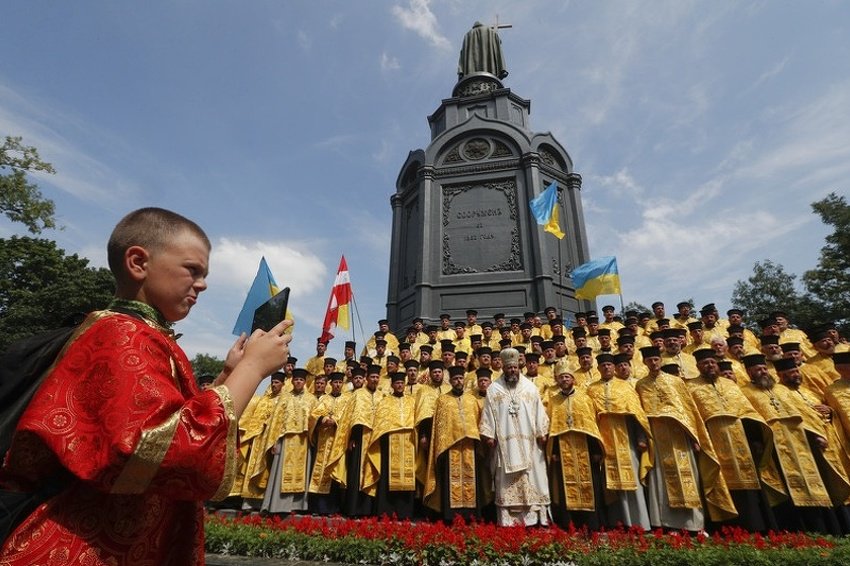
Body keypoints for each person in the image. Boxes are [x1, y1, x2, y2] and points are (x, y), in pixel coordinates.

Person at [0, 207, 291, 564]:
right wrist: (253, 368)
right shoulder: (124, 333)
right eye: (192, 270)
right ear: (138, 262)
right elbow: (151, 450)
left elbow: (164, 418)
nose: (202, 284)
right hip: (87, 546)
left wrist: (226, 378)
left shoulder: (138, 333)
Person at [635, 347, 735, 532]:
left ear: (661, 360)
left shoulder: (675, 382)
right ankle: (667, 523)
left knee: (688, 478)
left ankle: (694, 524)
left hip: (680, 435)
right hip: (657, 436)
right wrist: (642, 437)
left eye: (656, 359)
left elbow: (689, 411)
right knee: (662, 481)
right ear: (644, 362)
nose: (654, 363)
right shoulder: (640, 385)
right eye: (649, 360)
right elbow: (640, 413)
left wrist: (695, 437)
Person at [685, 350, 779, 532]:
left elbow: (747, 411)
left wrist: (756, 439)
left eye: (713, 362)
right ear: (697, 367)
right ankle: (728, 530)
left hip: (741, 440)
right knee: (720, 483)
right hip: (713, 441)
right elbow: (692, 415)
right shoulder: (691, 387)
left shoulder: (730, 384)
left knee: (751, 484)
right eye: (705, 363)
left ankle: (759, 528)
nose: (710, 365)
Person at [479, 348, 551, 526]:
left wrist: (542, 432)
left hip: (530, 443)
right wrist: (489, 435)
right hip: (505, 446)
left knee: (534, 479)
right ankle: (508, 520)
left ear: (519, 367)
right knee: (505, 483)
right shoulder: (494, 390)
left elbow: (539, 412)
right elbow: (487, 414)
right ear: (503, 368)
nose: (512, 371)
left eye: (515, 368)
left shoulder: (530, 388)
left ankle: (534, 519)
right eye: (509, 368)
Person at [586, 353, 652, 530]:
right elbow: (589, 418)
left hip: (626, 438)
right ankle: (616, 522)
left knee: (632, 479)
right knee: (609, 482)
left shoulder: (625, 386)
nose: (607, 367)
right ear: (598, 368)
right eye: (603, 365)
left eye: (609, 365)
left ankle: (639, 522)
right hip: (604, 439)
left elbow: (637, 413)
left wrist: (640, 437)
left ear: (614, 368)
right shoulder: (592, 389)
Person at [545, 361, 605, 530]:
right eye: (561, 377)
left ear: (573, 379)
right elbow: (553, 428)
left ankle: (591, 524)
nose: (564, 379)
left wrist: (595, 450)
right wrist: (554, 451)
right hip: (564, 452)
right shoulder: (554, 401)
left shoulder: (584, 399)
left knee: (590, 486)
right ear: (557, 380)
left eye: (567, 376)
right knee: (566, 487)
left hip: (585, 449)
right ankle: (569, 523)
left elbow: (591, 426)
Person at [423, 364, 486, 523]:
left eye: (460, 378)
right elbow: (440, 426)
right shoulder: (443, 400)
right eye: (455, 379)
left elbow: (478, 422)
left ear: (463, 380)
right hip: (450, 449)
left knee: (471, 479)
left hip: (470, 447)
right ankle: (450, 516)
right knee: (451, 482)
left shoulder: (471, 399)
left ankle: (472, 515)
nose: (458, 381)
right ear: (450, 381)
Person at [261, 368, 317, 515]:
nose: (298, 382)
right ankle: (278, 505)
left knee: (301, 473)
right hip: (286, 439)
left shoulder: (311, 399)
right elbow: (276, 421)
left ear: (305, 382)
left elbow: (315, 419)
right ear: (292, 381)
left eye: (301, 380)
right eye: (296, 379)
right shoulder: (285, 398)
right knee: (280, 474)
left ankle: (298, 505)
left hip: (303, 441)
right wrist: (273, 441)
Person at [363, 372, 417, 519]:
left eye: (401, 383)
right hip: (390, 442)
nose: (399, 385)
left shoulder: (412, 401)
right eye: (397, 383)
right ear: (392, 385)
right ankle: (386, 511)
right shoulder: (385, 402)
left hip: (408, 443)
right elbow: (380, 423)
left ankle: (405, 512)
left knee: (407, 476)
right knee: (388, 477)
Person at [234, 371, 286, 511]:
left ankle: (264, 501)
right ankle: (249, 501)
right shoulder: (264, 400)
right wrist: (250, 437)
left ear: (283, 384)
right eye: (273, 382)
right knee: (252, 469)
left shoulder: (284, 401)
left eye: (277, 383)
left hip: (272, 440)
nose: (274, 385)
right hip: (258, 439)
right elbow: (254, 419)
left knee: (267, 471)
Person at [307, 371, 348, 515]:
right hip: (323, 441)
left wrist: (335, 420)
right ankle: (317, 508)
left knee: (333, 471)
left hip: (337, 441)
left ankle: (332, 508)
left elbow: (347, 417)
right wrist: (324, 419)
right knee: (319, 471)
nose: (337, 385)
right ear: (330, 384)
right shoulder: (324, 399)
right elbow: (314, 414)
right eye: (335, 382)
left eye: (339, 383)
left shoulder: (346, 399)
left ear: (342, 384)